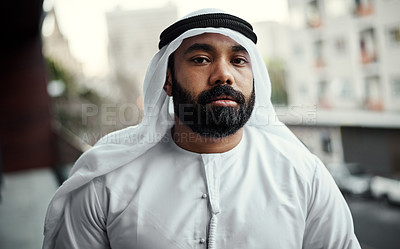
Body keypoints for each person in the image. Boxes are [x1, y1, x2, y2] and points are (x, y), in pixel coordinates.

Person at [43, 8, 361, 249]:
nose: (223, 75)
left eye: (238, 61)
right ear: (167, 80)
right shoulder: (106, 181)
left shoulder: (302, 174)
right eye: (200, 59)